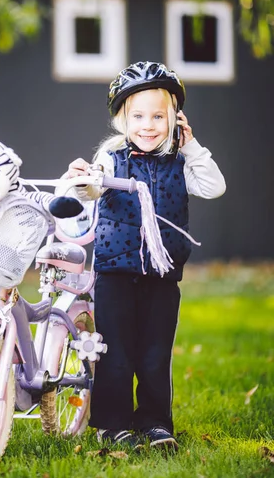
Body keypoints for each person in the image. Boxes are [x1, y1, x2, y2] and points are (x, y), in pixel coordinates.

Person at [66, 61, 226, 449]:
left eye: (159, 115)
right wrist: (83, 182)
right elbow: (90, 191)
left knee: (155, 354)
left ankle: (155, 422)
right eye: (138, 115)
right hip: (115, 274)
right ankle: (112, 423)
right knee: (115, 352)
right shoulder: (111, 157)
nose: (149, 124)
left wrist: (191, 146)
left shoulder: (181, 162)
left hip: (163, 274)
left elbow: (215, 186)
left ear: (175, 118)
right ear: (122, 119)